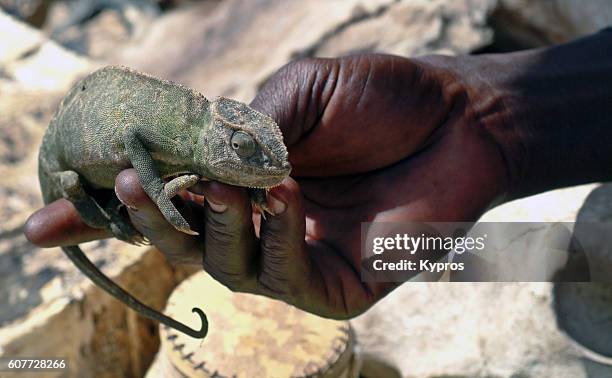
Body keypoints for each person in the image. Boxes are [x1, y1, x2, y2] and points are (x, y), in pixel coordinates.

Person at [24, 28, 612, 319]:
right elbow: (132, 140)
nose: (275, 169)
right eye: (248, 152)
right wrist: (474, 115)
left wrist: (481, 123)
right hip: (74, 153)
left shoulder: (204, 144)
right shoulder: (189, 142)